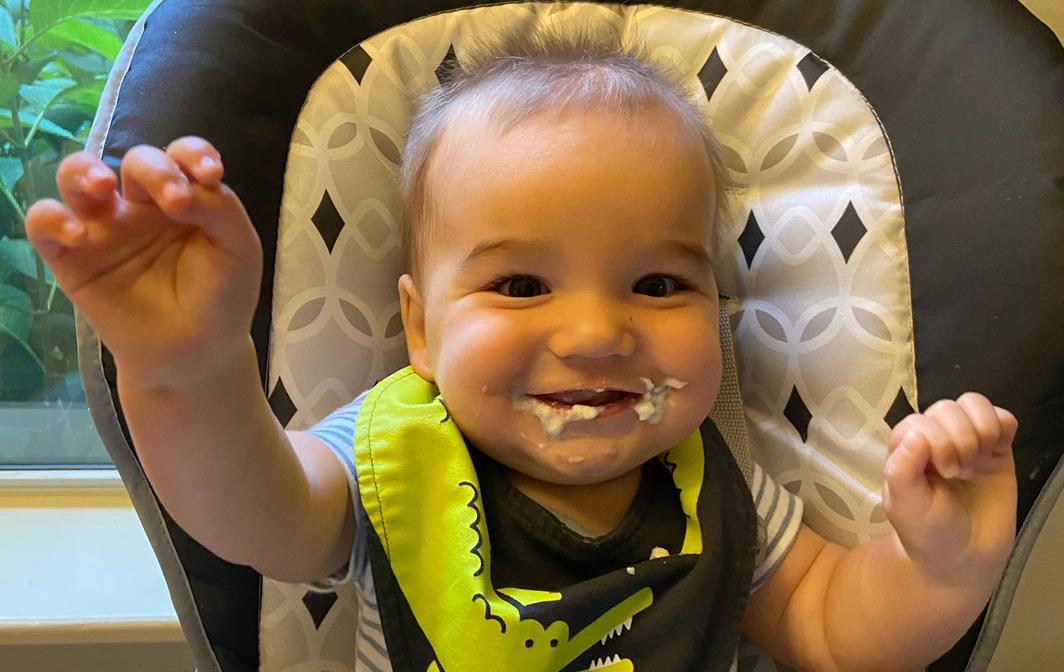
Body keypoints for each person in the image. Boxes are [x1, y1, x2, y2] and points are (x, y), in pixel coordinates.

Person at [25, 27, 1018, 672]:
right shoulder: (393, 451)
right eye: (519, 286)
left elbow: (829, 631)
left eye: (659, 284)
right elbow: (253, 513)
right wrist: (188, 368)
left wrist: (935, 565)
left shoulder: (719, 481)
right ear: (419, 327)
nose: (594, 334)